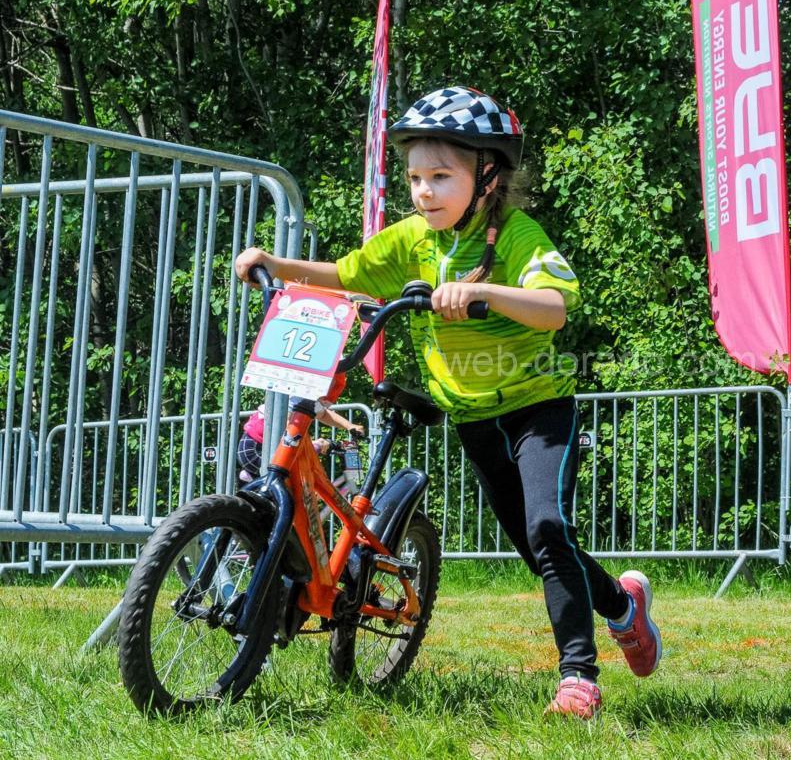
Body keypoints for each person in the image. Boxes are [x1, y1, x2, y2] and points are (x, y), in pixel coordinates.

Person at [234, 86, 661, 718]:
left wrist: (483, 293)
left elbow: (554, 307)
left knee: (548, 528)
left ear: (488, 177)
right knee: (536, 545)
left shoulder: (515, 235)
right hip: (473, 416)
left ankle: (578, 677)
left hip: (538, 410)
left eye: (440, 176)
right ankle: (624, 606)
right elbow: (346, 274)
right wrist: (275, 262)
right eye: (414, 178)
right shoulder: (411, 240)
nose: (424, 191)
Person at [237, 382, 364, 482]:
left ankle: (252, 477)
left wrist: (349, 426)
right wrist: (317, 445)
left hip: (252, 447)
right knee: (298, 479)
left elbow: (324, 414)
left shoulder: (306, 399)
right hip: (257, 449)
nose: (325, 405)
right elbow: (288, 430)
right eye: (326, 401)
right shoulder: (298, 400)